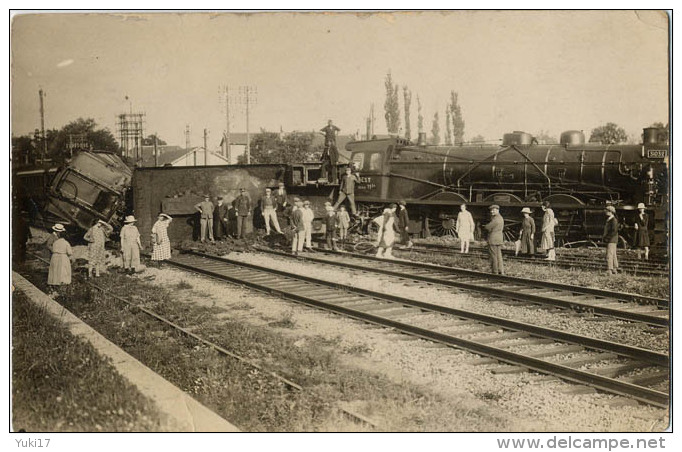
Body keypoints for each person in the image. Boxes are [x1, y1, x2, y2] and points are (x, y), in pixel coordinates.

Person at [483, 205, 504, 275]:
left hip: (493, 239)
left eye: (493, 210)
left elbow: (488, 227)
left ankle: (495, 272)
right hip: (499, 239)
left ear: (497, 210)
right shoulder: (501, 218)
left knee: (493, 256)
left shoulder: (495, 219)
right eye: (491, 210)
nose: (491, 211)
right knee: (499, 256)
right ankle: (501, 270)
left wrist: (485, 226)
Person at [603, 205, 620, 275]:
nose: (606, 212)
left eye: (607, 211)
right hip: (613, 239)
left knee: (609, 254)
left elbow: (614, 231)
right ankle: (615, 269)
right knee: (613, 254)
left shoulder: (613, 220)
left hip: (611, 240)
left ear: (611, 212)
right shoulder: (611, 219)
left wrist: (607, 238)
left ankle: (609, 269)